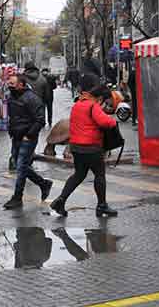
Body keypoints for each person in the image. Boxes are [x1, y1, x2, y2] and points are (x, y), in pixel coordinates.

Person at [50, 74, 118, 218]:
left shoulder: (77, 105)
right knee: (99, 175)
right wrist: (112, 121)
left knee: (78, 175)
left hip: (76, 148)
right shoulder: (92, 106)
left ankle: (60, 200)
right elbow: (106, 122)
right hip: (92, 148)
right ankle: (102, 206)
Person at [3, 74, 53, 210]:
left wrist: (29, 134)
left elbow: (40, 120)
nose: (9, 85)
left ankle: (17, 197)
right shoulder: (12, 96)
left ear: (21, 84)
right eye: (9, 82)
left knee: (20, 167)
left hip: (27, 138)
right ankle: (43, 184)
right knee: (21, 165)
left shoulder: (32, 98)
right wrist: (11, 130)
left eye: (12, 83)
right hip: (16, 136)